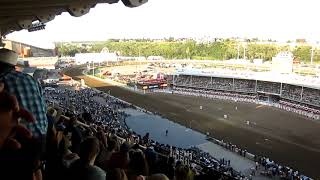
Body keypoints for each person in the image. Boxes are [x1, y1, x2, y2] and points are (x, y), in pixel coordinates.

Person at [0, 48, 48, 141]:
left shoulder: (1, 80)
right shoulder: (30, 78)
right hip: (41, 137)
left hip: (15, 140)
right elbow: (44, 109)